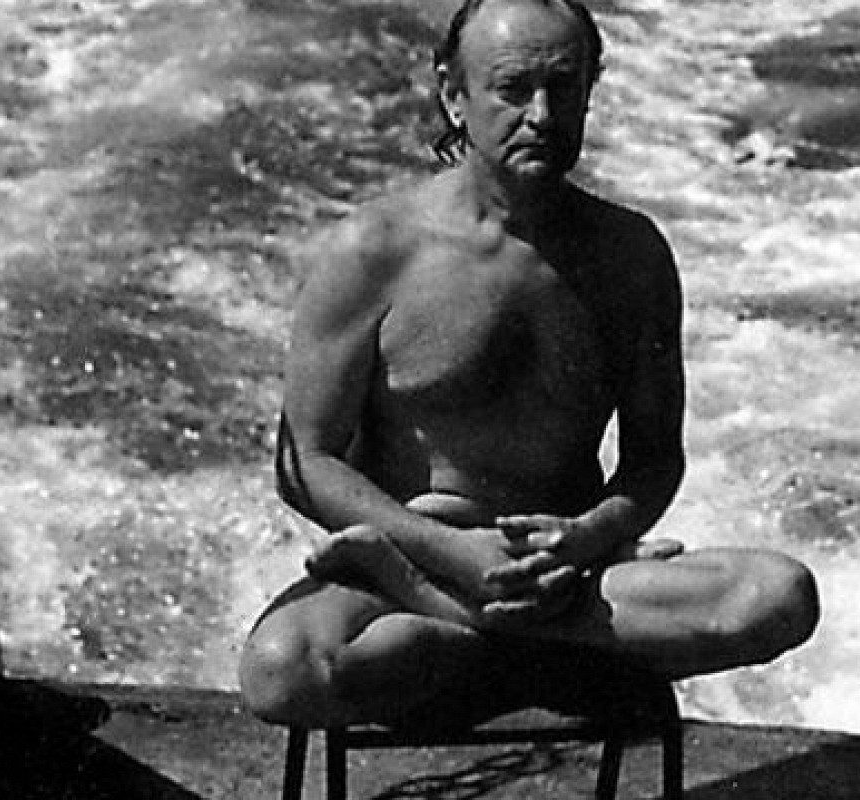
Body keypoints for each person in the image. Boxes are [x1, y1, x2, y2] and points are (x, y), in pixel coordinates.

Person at [239, 0, 819, 730]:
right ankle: (520, 635)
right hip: (413, 560)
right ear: (454, 95)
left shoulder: (631, 255)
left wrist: (589, 537)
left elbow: (653, 461)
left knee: (780, 596)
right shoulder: (375, 251)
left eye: (563, 88)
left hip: (570, 575)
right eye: (513, 90)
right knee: (282, 671)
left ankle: (471, 630)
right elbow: (306, 463)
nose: (541, 115)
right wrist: (451, 553)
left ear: (589, 91)